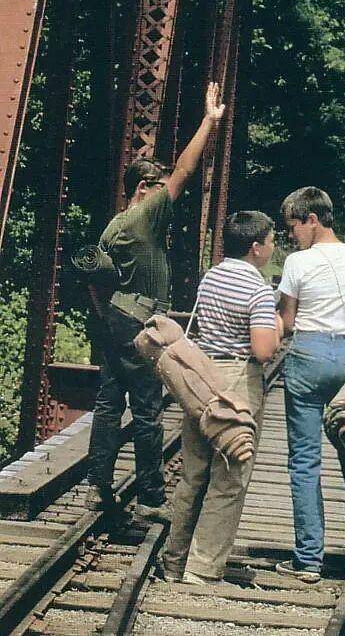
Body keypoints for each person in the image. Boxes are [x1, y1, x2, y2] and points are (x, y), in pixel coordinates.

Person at [85, 82, 225, 522]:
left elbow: (95, 281)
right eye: (160, 188)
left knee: (109, 403)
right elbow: (184, 170)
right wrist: (209, 121)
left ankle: (98, 486)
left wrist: (108, 319)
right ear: (144, 188)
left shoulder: (114, 226)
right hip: (141, 323)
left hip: (115, 318)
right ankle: (150, 497)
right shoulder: (145, 215)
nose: (169, 195)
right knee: (147, 409)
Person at [162, 210, 283, 584]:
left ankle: (174, 561)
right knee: (229, 477)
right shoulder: (258, 290)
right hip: (236, 382)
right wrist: (278, 326)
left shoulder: (211, 277)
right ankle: (202, 568)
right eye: (271, 241)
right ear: (255, 248)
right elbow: (263, 351)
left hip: (201, 379)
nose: (273, 247)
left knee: (193, 474)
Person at [275, 186, 345, 583]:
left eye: (294, 227)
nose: (292, 235)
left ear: (313, 220)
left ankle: (309, 560)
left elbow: (287, 321)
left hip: (308, 356)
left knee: (304, 460)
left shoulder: (297, 263)